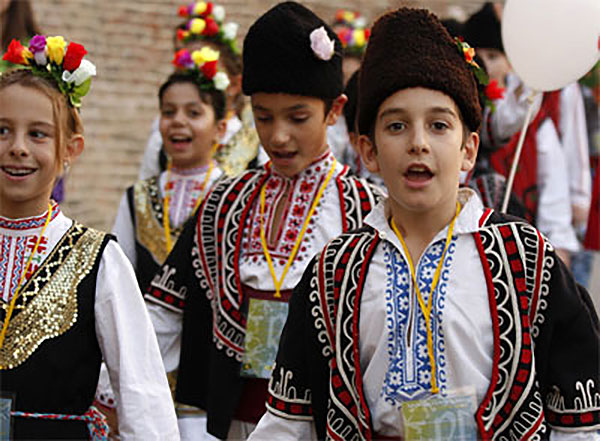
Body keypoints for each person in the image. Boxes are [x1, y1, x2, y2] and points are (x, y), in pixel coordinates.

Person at [247, 8, 600, 440]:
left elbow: (579, 425)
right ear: (368, 151)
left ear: (469, 149)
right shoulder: (331, 273)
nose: (418, 143)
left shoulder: (527, 259)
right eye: (396, 126)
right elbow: (288, 424)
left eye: (438, 125)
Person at [144, 2, 384, 439]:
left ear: (334, 110)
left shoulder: (367, 210)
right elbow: (164, 310)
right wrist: (113, 394)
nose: (277, 136)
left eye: (298, 117)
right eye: (264, 116)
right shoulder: (227, 201)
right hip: (235, 420)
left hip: (326, 423)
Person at [0, 36, 179, 439]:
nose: (17, 148)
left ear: (70, 148)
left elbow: (143, 396)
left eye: (38, 134)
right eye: (2, 130)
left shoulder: (99, 261)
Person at [464, 2, 582, 266]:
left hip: (521, 247)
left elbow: (553, 188)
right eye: (477, 58)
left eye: (493, 57)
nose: (487, 67)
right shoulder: (458, 117)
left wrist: (558, 245)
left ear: (510, 62)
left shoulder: (532, 119)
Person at [113, 46, 228, 294]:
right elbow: (118, 277)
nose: (178, 121)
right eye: (168, 112)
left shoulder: (232, 196)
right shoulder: (137, 197)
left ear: (220, 128)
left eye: (194, 112)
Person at [139, 1, 260, 180]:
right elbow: (143, 195)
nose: (194, 82)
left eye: (205, 71)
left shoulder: (254, 146)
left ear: (234, 85)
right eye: (186, 70)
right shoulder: (160, 142)